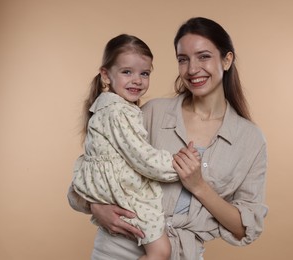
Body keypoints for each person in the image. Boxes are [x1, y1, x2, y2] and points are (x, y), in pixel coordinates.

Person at [68, 17, 268, 260]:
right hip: (118, 247)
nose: (192, 69)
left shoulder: (250, 139)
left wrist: (199, 186)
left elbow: (245, 228)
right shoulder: (152, 112)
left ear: (226, 60)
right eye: (183, 59)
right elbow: (92, 171)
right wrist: (96, 208)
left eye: (203, 56)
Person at [71, 34, 199, 260]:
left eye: (145, 73)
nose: (137, 80)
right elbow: (142, 157)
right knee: (161, 251)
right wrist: (178, 165)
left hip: (112, 193)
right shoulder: (119, 112)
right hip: (127, 195)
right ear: (105, 75)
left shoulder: (106, 107)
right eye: (127, 72)